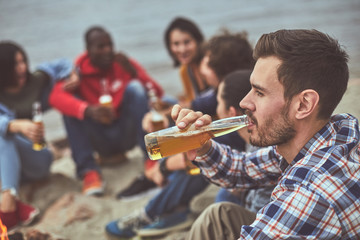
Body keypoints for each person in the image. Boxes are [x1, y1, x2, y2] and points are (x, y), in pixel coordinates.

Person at [170, 29, 360, 239]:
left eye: (259, 92)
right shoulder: (338, 130)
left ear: (304, 104)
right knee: (219, 216)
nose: (244, 102)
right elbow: (241, 169)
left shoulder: (310, 193)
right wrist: (202, 146)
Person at [105, 31, 256, 239]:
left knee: (196, 167)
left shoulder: (236, 100)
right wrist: (161, 116)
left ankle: (151, 212)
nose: (201, 64)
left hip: (240, 173)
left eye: (206, 60)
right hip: (234, 164)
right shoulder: (220, 90)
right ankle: (172, 209)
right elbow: (194, 105)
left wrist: (164, 167)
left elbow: (219, 148)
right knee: (191, 161)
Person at [49, 26, 164, 196]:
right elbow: (54, 98)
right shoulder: (76, 71)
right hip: (99, 137)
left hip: (126, 134)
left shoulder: (122, 64)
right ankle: (89, 172)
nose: (108, 50)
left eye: (110, 45)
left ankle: (152, 157)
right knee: (71, 108)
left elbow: (157, 93)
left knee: (136, 88)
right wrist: (87, 110)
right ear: (88, 50)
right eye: (100, 46)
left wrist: (134, 72)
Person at [115, 17, 209, 199]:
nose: (181, 49)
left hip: (208, 124)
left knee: (161, 114)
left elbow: (205, 101)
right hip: (198, 118)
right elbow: (191, 99)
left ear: (198, 40)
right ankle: (152, 162)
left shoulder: (207, 65)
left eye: (187, 42)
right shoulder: (186, 70)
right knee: (162, 102)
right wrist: (168, 106)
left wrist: (167, 112)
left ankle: (156, 169)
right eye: (176, 44)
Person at [0, 41, 74, 229]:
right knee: (4, 131)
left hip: (38, 158)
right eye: (15, 64)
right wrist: (14, 125)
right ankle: (13, 203)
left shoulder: (37, 80)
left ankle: (8, 204)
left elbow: (65, 64)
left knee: (4, 136)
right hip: (10, 164)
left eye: (23, 61)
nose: (23, 68)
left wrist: (72, 75)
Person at [213, 70, 276, 212]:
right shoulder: (252, 139)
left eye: (218, 102)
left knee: (219, 207)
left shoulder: (262, 147)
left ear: (231, 113)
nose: (216, 109)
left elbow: (259, 210)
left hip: (259, 219)